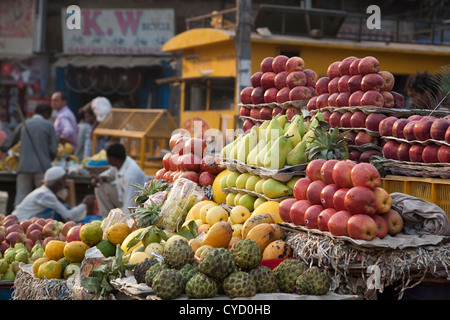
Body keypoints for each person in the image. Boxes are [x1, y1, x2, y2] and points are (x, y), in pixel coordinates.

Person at [0, 104, 58, 206]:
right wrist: (49, 158)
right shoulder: (48, 125)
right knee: (41, 198)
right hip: (42, 167)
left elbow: (7, 144)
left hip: (24, 166)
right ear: (46, 114)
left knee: (21, 198)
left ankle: (18, 220)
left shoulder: (25, 124)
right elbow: (53, 150)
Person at [12, 166, 94, 222]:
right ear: (59, 183)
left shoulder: (44, 191)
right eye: (64, 180)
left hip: (19, 220)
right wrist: (84, 203)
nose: (66, 183)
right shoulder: (45, 195)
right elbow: (69, 216)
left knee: (65, 207)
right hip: (19, 222)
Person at [91, 142, 148, 218]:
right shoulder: (120, 163)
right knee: (100, 187)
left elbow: (130, 204)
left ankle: (113, 223)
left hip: (137, 207)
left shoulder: (131, 176)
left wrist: (124, 223)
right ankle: (106, 219)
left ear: (112, 159)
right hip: (122, 198)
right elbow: (110, 173)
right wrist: (100, 178)